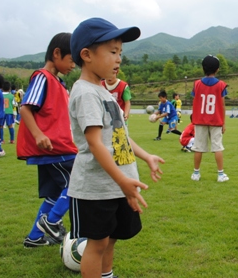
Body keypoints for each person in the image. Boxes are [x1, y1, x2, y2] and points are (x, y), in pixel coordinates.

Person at [68, 17, 164, 278]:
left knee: (110, 240)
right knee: (97, 244)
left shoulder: (103, 92)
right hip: (95, 189)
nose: (119, 58)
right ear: (86, 55)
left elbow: (119, 136)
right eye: (112, 52)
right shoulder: (86, 93)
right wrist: (122, 180)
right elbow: (95, 143)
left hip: (116, 185)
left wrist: (145, 156)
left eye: (120, 52)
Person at [16, 33, 78, 248]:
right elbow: (25, 107)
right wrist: (38, 135)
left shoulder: (59, 83)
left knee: (53, 194)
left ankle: (34, 238)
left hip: (57, 147)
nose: (73, 66)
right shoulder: (43, 77)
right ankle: (51, 222)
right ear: (57, 53)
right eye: (72, 60)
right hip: (55, 148)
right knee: (77, 182)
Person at [190, 55, 229, 182]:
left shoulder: (196, 84)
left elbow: (194, 101)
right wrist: (223, 123)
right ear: (217, 69)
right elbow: (222, 105)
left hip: (200, 120)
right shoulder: (221, 85)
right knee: (217, 147)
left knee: (198, 147)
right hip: (216, 121)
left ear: (203, 68)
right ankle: (220, 174)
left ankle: (196, 173)